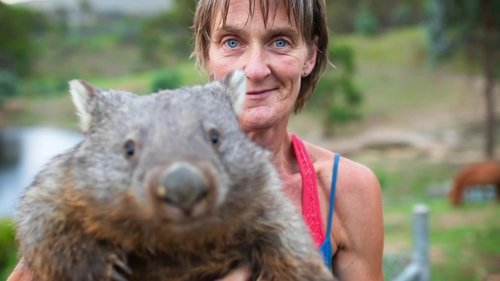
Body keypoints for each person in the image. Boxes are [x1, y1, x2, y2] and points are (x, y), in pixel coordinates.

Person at [7, 0, 384, 280]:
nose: (254, 69)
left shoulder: (345, 189)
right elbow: (47, 212)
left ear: (310, 57)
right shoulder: (90, 188)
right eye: (232, 42)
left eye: (281, 42)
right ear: (206, 54)